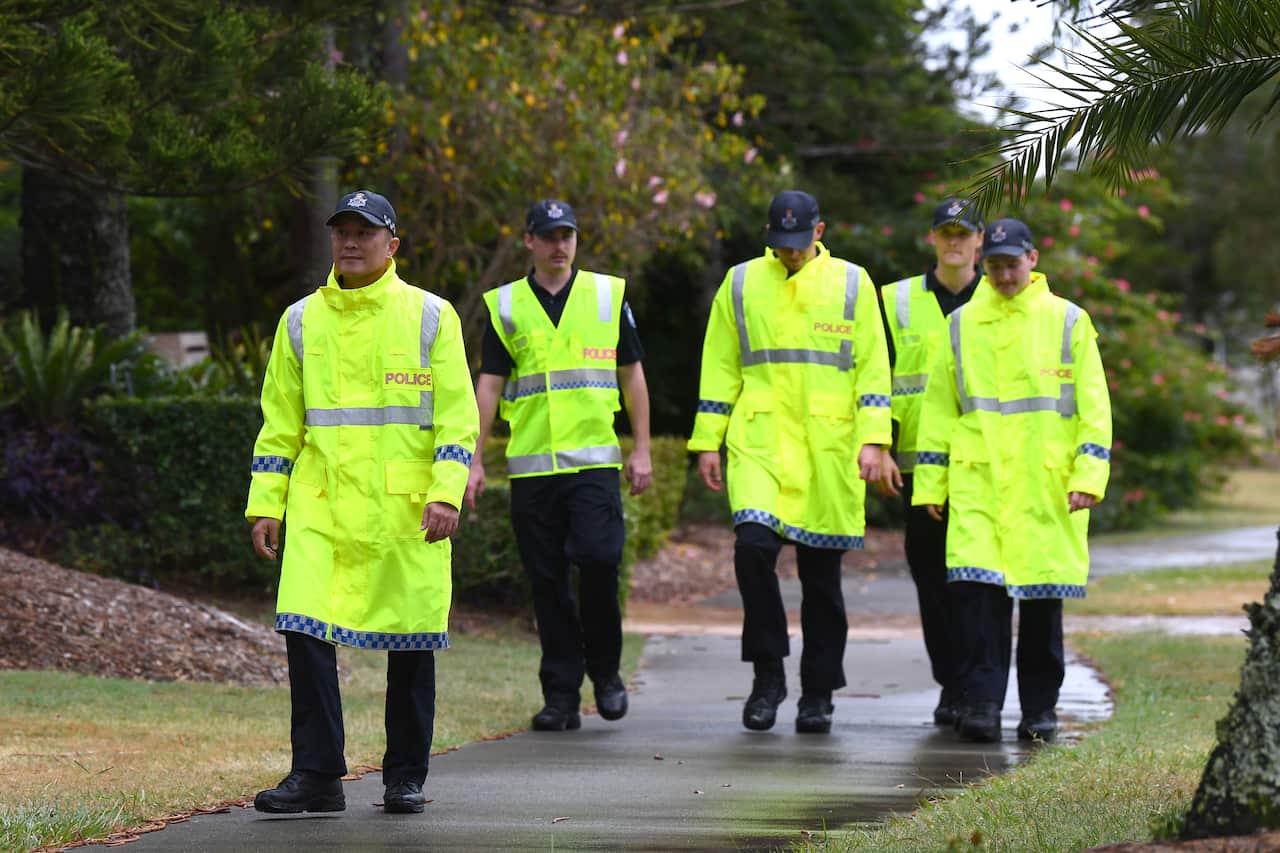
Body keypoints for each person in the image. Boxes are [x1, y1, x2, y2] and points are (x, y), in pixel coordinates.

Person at [245, 190, 479, 814]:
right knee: (303, 628)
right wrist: (266, 502)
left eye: (365, 232)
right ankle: (317, 776)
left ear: (392, 244)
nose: (351, 241)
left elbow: (457, 421)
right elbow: (279, 424)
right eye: (342, 230)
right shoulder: (299, 321)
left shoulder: (432, 316)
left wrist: (446, 494)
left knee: (410, 641)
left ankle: (406, 777)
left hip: (404, 510)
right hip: (320, 508)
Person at [688, 189, 892, 734]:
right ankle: (768, 674)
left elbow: (873, 367)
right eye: (781, 246)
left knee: (821, 579)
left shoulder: (853, 282)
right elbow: (720, 364)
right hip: (759, 441)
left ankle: (818, 693)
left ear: (819, 232)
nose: (790, 254)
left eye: (799, 245)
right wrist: (707, 438)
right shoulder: (740, 282)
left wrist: (875, 439)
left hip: (828, 448)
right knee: (753, 550)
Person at [912, 217, 1112, 744]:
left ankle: (1039, 710)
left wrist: (1089, 474)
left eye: (1011, 264)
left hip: (1046, 489)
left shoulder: (1068, 322)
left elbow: (1095, 408)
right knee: (978, 604)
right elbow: (938, 412)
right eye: (995, 265)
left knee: (1042, 606)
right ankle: (981, 705)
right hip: (978, 485)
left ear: (1033, 260)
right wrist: (930, 485)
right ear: (986, 263)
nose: (1003, 274)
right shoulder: (961, 325)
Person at [465, 198, 653, 732]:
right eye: (548, 235)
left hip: (594, 464)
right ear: (528, 241)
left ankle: (608, 673)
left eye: (567, 234)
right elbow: (490, 386)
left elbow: (632, 376)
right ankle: (561, 696)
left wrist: (642, 450)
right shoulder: (505, 306)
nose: (559, 244)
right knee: (546, 584)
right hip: (532, 470)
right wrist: (473, 458)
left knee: (598, 564)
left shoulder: (605, 295)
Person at [876, 198, 985, 728]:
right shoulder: (896, 301)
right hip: (919, 469)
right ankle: (951, 683)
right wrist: (879, 443)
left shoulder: (1001, 296)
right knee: (932, 583)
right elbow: (876, 378)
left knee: (975, 583)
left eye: (963, 233)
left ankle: (972, 688)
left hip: (982, 468)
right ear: (933, 238)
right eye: (946, 232)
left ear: (980, 240)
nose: (954, 242)